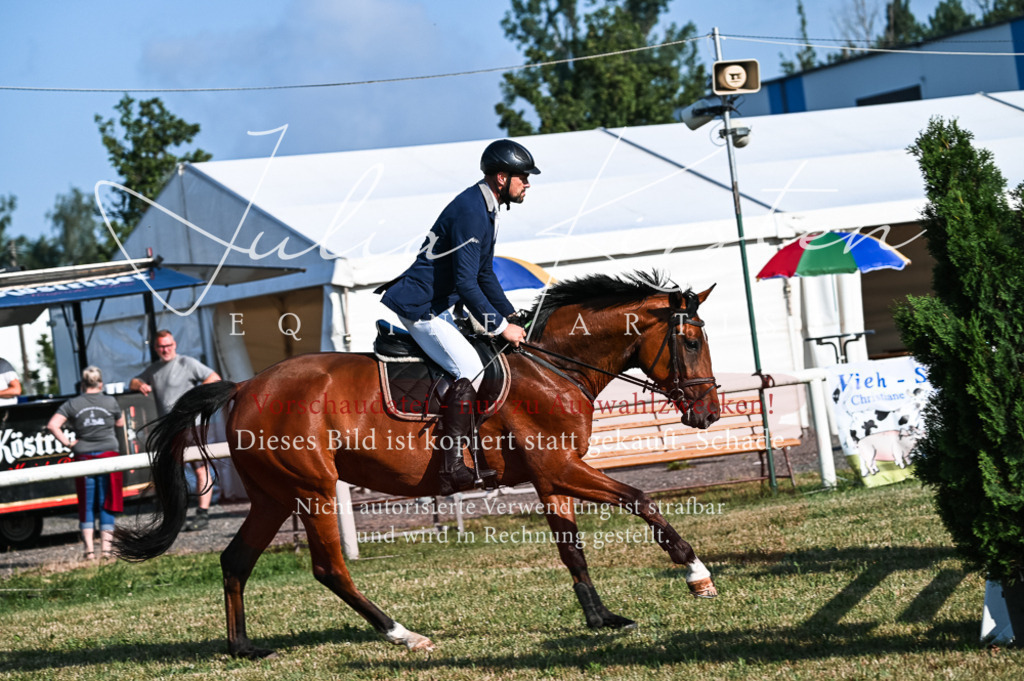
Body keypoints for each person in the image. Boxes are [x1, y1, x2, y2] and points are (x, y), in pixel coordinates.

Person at [379, 139, 537, 494]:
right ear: (501, 177)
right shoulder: (471, 211)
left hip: (438, 306)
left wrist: (512, 315)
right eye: (523, 177)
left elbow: (484, 275)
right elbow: (466, 282)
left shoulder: (488, 208)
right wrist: (499, 327)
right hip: (421, 307)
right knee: (470, 369)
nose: (527, 183)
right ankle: (451, 468)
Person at [129, 330, 222, 531]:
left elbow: (214, 378)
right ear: (155, 348)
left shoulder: (187, 363)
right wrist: (140, 384)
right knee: (172, 471)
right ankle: (176, 515)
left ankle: (203, 514)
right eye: (162, 346)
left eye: (169, 345)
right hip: (170, 429)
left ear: (175, 344)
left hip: (192, 425)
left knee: (200, 468)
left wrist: (195, 396)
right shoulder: (154, 369)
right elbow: (133, 381)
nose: (166, 349)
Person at [46, 366, 125, 561]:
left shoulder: (73, 403)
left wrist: (69, 443)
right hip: (109, 455)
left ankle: (89, 551)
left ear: (82, 384)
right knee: (107, 502)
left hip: (84, 457)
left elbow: (52, 425)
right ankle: (106, 551)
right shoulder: (110, 401)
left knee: (87, 504)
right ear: (100, 383)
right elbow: (121, 423)